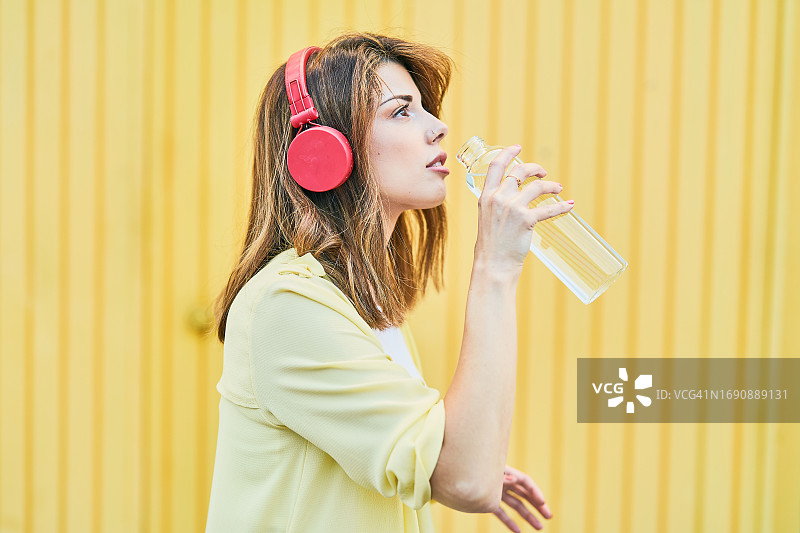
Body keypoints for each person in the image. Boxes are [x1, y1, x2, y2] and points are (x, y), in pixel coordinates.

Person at [206, 32, 572, 533]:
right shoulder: (287, 304)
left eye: (425, 108)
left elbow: (454, 466)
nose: (439, 127)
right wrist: (496, 267)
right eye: (402, 111)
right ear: (325, 149)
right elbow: (465, 481)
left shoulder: (363, 306)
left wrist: (451, 449)